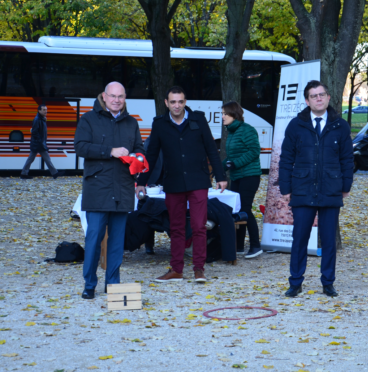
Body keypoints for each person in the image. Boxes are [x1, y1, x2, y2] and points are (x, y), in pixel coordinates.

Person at [136, 86, 227, 283]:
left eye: (181, 101)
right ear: (166, 103)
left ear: (185, 102)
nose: (177, 105)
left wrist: (220, 176)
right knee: (176, 227)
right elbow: (151, 155)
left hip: (198, 181)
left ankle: (199, 270)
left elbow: (212, 149)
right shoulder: (159, 124)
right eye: (173, 102)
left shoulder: (198, 119)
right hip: (173, 182)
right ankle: (176, 269)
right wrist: (141, 182)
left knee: (199, 226)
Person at [279, 80, 353, 298]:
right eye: (314, 96)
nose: (318, 98)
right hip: (302, 188)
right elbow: (286, 158)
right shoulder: (296, 125)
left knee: (329, 240)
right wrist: (285, 187)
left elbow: (347, 158)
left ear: (328, 98)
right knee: (299, 238)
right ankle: (295, 282)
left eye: (322, 95)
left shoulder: (340, 125)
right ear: (307, 100)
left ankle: (328, 282)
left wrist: (346, 185)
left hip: (331, 188)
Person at [75, 82, 145, 299]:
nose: (116, 100)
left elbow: (139, 148)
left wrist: (140, 158)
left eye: (121, 96)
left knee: (117, 242)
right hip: (98, 189)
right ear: (104, 97)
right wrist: (110, 151)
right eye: (113, 96)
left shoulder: (131, 122)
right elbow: (80, 147)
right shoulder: (88, 119)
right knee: (94, 239)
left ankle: (113, 285)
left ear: (125, 98)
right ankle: (89, 284)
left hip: (123, 188)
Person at [222, 101, 263, 259]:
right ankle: (238, 246)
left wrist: (236, 163)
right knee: (236, 209)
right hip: (237, 176)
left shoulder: (247, 130)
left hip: (250, 176)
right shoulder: (231, 132)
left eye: (225, 113)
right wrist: (218, 169)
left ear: (234, 114)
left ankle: (255, 246)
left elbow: (254, 151)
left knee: (245, 209)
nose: (223, 116)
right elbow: (231, 157)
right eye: (223, 113)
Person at [20, 105, 64, 180]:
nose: (45, 111)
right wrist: (40, 142)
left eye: (46, 109)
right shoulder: (37, 119)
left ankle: (24, 173)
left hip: (38, 143)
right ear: (39, 111)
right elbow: (34, 132)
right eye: (43, 110)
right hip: (38, 144)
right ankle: (55, 173)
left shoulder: (41, 119)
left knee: (32, 159)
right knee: (45, 159)